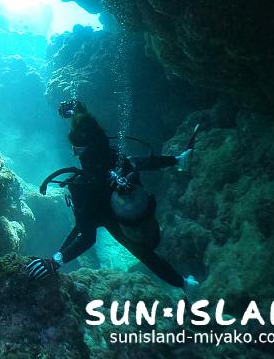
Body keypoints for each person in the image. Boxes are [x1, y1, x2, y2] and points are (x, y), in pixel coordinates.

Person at [25, 100, 199, 293]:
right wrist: (78, 111)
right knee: (144, 254)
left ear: (81, 151)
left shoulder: (82, 185)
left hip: (108, 218)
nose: (74, 154)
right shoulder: (118, 160)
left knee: (142, 253)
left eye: (75, 150)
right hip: (135, 214)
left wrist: (55, 262)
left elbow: (87, 238)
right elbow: (145, 162)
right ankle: (179, 160)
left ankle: (184, 284)